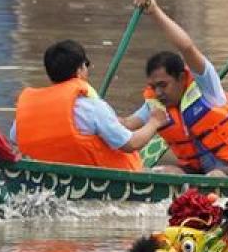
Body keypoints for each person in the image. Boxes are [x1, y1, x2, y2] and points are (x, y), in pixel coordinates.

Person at [129, 0, 228, 176]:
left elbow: (187, 48)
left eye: (163, 85)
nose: (158, 92)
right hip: (199, 172)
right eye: (154, 87)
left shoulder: (206, 87)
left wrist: (155, 12)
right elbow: (127, 124)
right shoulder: (157, 106)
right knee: (159, 172)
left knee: (215, 176)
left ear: (180, 78)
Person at [11, 39, 156, 170]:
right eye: (86, 64)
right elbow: (131, 144)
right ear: (80, 70)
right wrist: (155, 122)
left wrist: (148, 109)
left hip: (49, 183)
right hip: (100, 183)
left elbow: (14, 141)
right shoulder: (92, 108)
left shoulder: (25, 115)